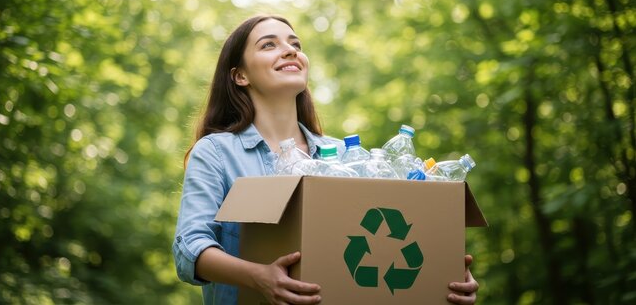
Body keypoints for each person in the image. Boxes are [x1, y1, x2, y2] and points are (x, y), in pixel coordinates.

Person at [173, 15, 479, 305]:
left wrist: (442, 274)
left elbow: (381, 236)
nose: (290, 51)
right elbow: (190, 249)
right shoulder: (217, 152)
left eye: (295, 45)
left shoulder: (346, 157)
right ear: (240, 76)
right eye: (269, 45)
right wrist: (259, 277)